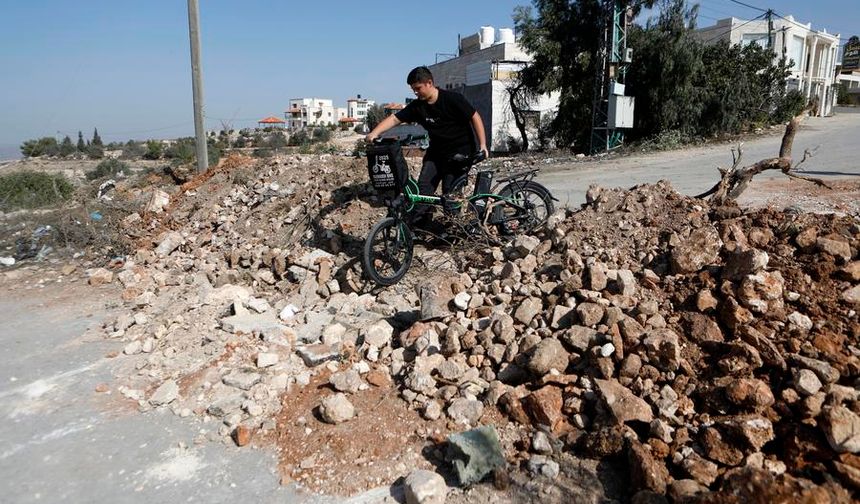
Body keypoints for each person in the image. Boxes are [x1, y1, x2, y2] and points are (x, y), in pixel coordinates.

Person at [366, 66, 488, 229]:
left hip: (460, 154)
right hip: (436, 154)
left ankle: (455, 232)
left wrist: (483, 145)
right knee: (422, 193)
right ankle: (421, 228)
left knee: (450, 198)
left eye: (418, 88)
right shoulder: (418, 107)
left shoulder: (452, 99)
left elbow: (475, 117)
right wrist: (374, 133)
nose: (415, 93)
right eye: (413, 90)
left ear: (429, 83)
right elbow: (395, 119)